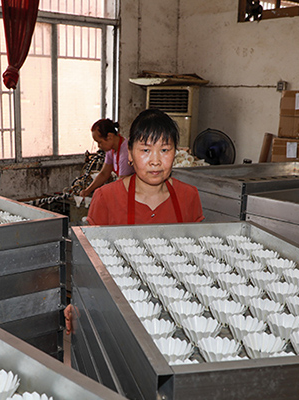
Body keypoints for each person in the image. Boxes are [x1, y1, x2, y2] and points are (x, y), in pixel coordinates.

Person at [65, 108, 204, 334]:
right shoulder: (106, 198)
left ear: (175, 153)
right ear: (129, 153)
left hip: (176, 311)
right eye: (146, 150)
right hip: (117, 310)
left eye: (165, 150)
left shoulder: (188, 197)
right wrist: (79, 303)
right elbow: (90, 264)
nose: (155, 161)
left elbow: (196, 261)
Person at [80, 119, 133, 197]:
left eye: (100, 142)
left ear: (110, 136)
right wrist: (88, 190)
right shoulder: (111, 150)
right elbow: (104, 173)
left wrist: (101, 193)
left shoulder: (125, 153)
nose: (98, 146)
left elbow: (122, 183)